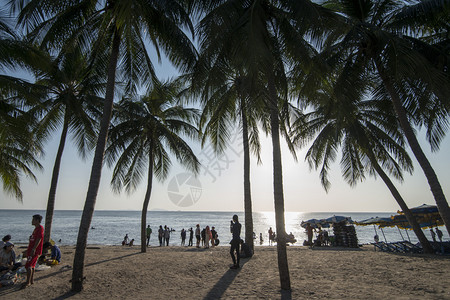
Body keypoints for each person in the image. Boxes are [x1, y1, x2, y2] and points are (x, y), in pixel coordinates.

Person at [23, 214, 44, 289]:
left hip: (34, 250)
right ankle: (31, 280)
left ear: (37, 221)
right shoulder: (36, 229)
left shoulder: (40, 228)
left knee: (28, 265)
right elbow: (35, 238)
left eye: (33, 220)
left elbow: (39, 238)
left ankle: (28, 282)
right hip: (31, 249)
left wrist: (34, 249)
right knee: (32, 265)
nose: (32, 221)